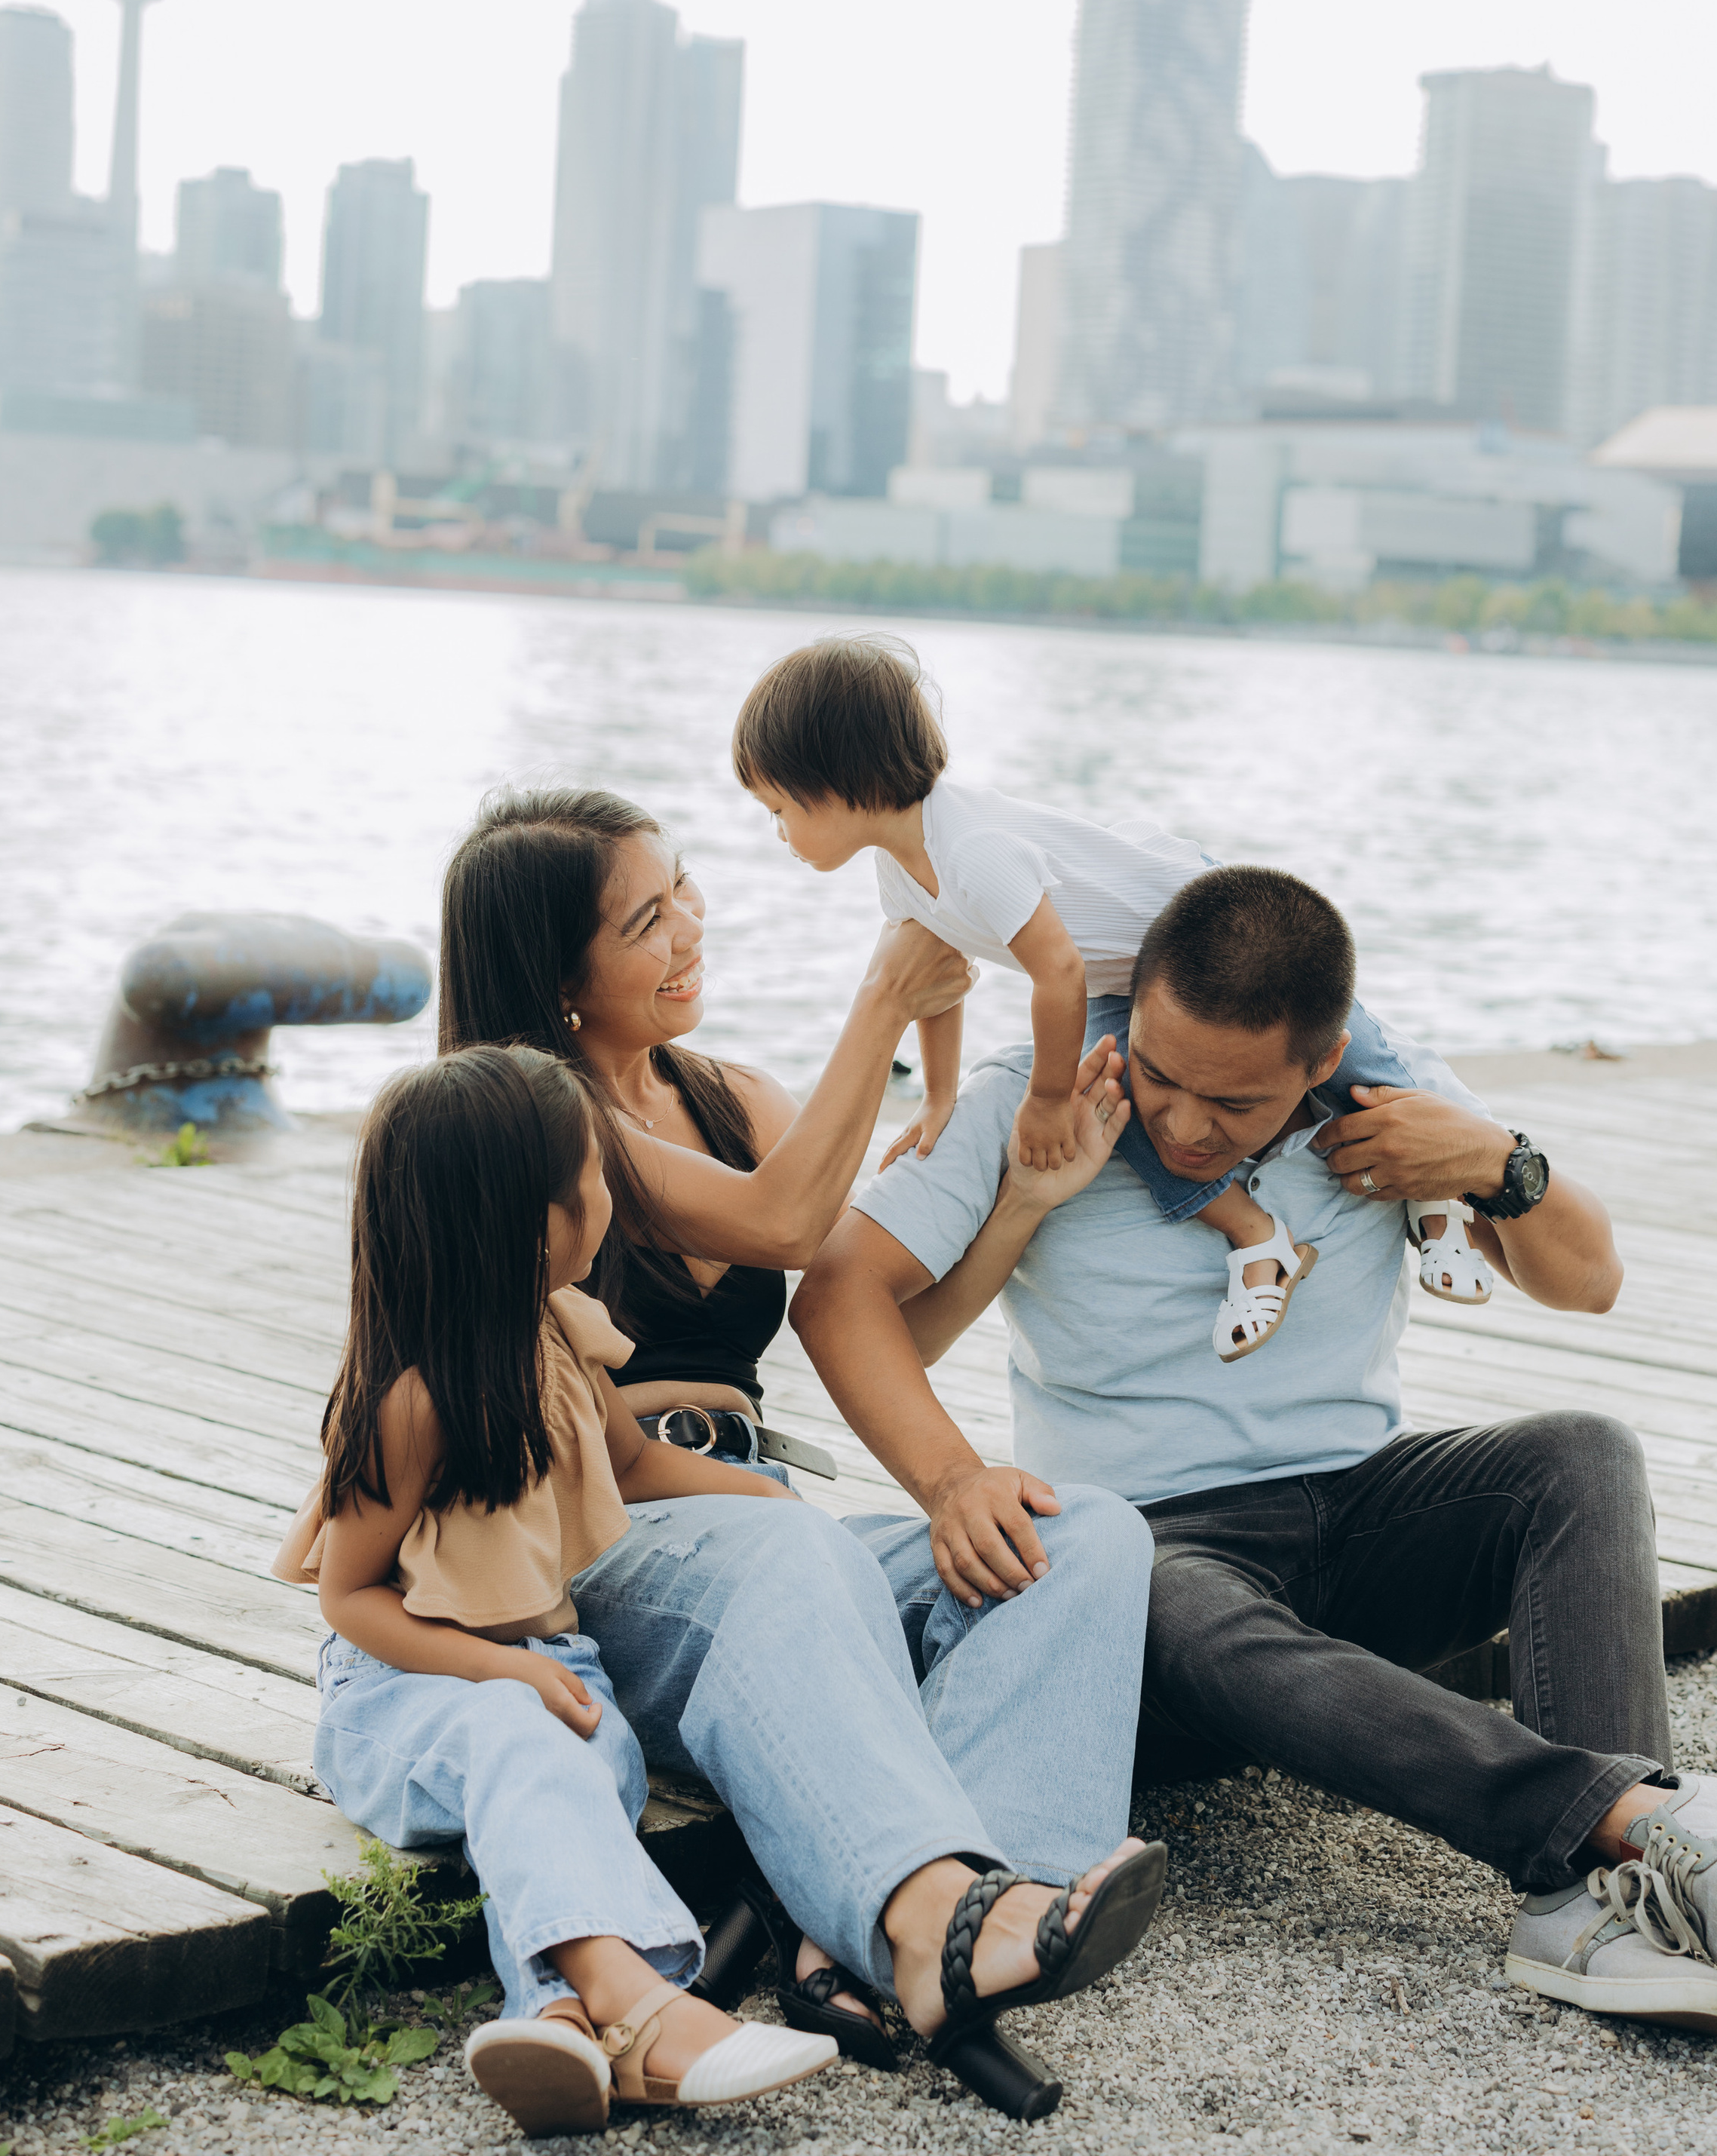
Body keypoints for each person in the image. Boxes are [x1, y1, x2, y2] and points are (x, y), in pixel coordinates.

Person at [793, 864, 1717, 2037]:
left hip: (1359, 1515)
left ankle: (1596, 1896)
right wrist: (952, 1479)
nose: (1179, 1122)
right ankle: (1633, 1824)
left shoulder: (1387, 1096)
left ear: (1319, 1064)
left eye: (1232, 1106)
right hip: (1156, 1562)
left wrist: (1495, 1160)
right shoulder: (1051, 1090)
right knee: (1152, 1581)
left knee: (1582, 1452)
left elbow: (1590, 1281)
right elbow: (837, 1293)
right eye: (1165, 1074)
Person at [433, 786, 1170, 2088]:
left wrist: (1024, 1205)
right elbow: (777, 1226)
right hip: (597, 1540)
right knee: (795, 1557)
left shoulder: (732, 1099)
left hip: (758, 1530)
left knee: (1082, 1534)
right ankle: (922, 1915)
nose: (690, 929)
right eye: (648, 919)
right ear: (558, 976)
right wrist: (883, 999)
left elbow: (869, 1318)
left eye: (687, 890)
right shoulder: (527, 1123)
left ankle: (937, 1922)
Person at [273, 1044, 842, 2130]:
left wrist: (758, 1497)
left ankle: (564, 2028)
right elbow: (349, 1600)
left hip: (548, 1671)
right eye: (594, 1178)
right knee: (526, 1742)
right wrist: (499, 1670)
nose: (611, 1198)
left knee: (583, 1765)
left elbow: (629, 1463)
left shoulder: (561, 1330)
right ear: (539, 1224)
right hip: (403, 1693)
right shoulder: (414, 1404)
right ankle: (653, 2013)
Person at [731, 633, 1489, 1357]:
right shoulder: (899, 868)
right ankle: (1257, 1239)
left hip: (1212, 933)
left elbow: (1055, 973)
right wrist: (935, 1100)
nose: (779, 833)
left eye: (779, 809)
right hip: (1131, 981)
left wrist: (1045, 1098)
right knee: (1120, 1102)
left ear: (838, 784)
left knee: (1353, 1054)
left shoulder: (973, 850)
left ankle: (1438, 1194)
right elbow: (945, 983)